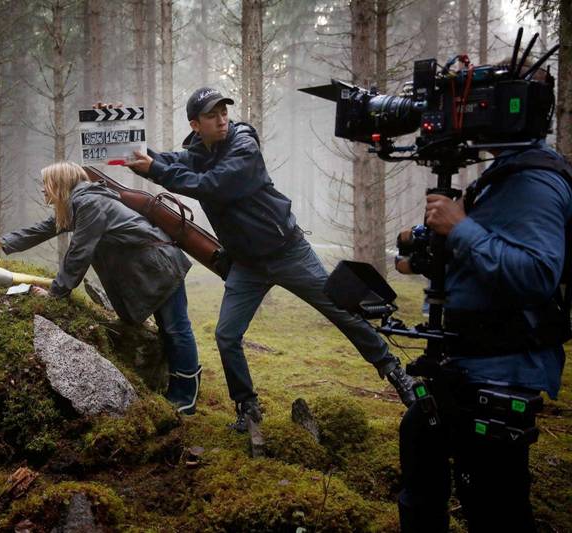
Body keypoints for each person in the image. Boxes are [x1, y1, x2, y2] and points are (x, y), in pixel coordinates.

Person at [118, 87, 415, 432]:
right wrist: (119, 141)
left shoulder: (243, 145)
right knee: (227, 335)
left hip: (288, 252)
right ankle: (248, 407)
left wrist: (156, 169)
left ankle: (394, 371)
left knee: (341, 311)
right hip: (247, 264)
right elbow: (164, 161)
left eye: (223, 111)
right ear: (195, 124)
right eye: (212, 115)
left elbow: (214, 185)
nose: (222, 119)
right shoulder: (199, 152)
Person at [396, 133, 572, 530]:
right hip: (467, 364)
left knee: (493, 503)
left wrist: (458, 230)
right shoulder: (506, 175)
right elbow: (497, 245)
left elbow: (537, 274)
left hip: (500, 370)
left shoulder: (534, 181)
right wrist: (428, 250)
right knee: (419, 441)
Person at [0, 161, 202, 414]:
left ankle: (185, 396)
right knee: (171, 329)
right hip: (153, 269)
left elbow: (79, 253)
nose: (43, 190)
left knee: (176, 329)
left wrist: (56, 294)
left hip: (160, 268)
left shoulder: (89, 203)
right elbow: (42, 229)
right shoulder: (80, 204)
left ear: (60, 183)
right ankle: (177, 391)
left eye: (46, 184)